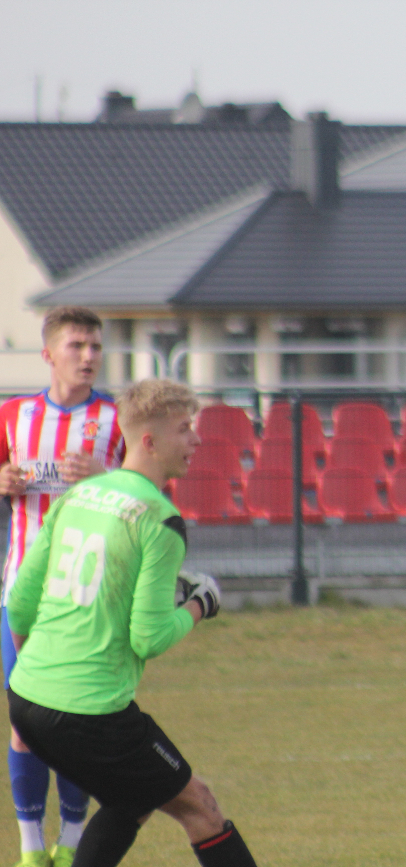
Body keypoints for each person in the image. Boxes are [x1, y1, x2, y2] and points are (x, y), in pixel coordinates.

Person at [6, 379, 258, 867]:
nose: (196, 441)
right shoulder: (160, 520)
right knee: (201, 808)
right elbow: (150, 636)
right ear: (149, 441)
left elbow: (18, 604)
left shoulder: (77, 497)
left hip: (26, 698)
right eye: (185, 430)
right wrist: (201, 604)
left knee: (133, 799)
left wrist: (37, 677)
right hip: (90, 713)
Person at [0, 306, 125, 867]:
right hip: (22, 594)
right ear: (49, 354)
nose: (89, 356)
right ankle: (30, 850)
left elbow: (143, 494)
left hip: (88, 599)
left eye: (96, 346)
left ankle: (72, 841)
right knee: (24, 722)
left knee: (78, 726)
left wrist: (106, 479)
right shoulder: (13, 415)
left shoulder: (117, 420)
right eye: (77, 346)